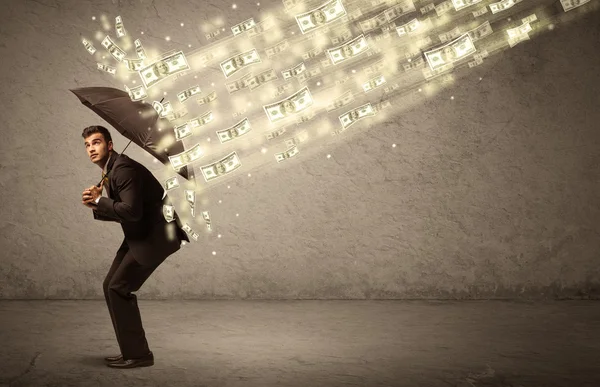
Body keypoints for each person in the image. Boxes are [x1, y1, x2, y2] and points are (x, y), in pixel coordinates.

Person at [81, 125, 190, 369]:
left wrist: (100, 200)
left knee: (119, 287)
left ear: (109, 145)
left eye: (96, 142)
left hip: (156, 236)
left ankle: (139, 355)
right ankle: (132, 351)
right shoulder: (112, 171)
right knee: (110, 286)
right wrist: (98, 205)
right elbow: (128, 214)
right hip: (139, 234)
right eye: (87, 145)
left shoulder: (124, 170)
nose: (91, 149)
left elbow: (131, 212)